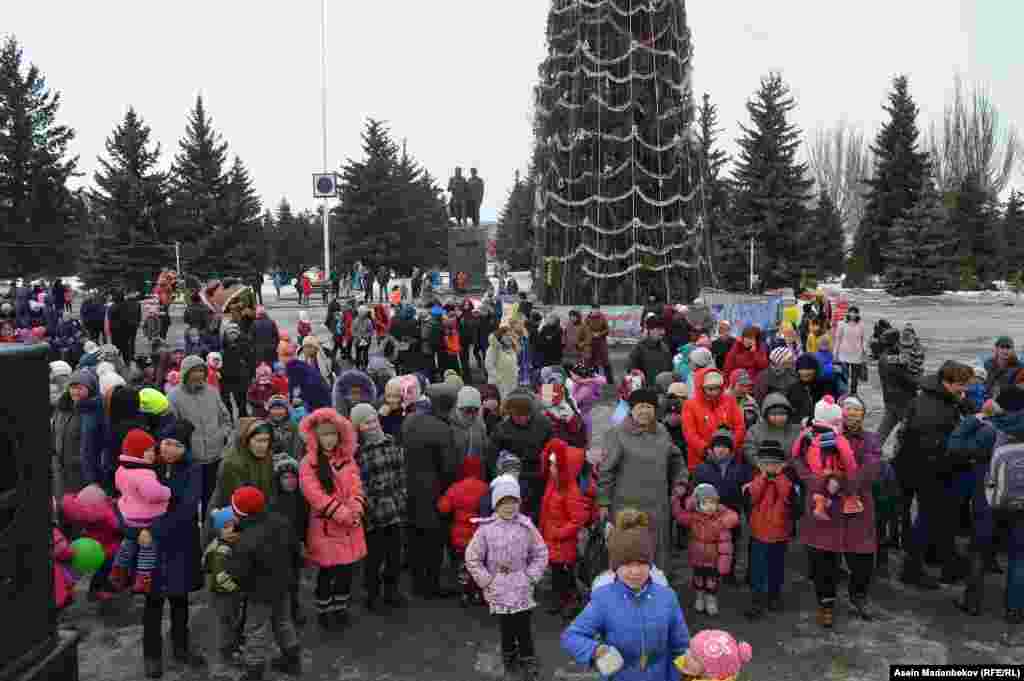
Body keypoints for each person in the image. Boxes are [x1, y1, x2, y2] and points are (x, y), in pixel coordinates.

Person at [561, 508, 690, 681]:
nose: (635, 571)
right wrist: (597, 651)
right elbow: (572, 636)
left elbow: (681, 646)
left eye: (642, 563)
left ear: (650, 564)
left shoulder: (667, 597)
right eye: (627, 564)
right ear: (615, 566)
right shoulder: (604, 599)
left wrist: (682, 675)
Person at [792, 395, 881, 626]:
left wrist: (845, 482)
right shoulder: (816, 434)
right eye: (847, 409)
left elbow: (871, 469)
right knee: (823, 559)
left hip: (857, 508)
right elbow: (799, 462)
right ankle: (825, 603)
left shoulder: (869, 439)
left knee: (862, 559)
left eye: (857, 410)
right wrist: (816, 482)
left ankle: (858, 596)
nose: (851, 415)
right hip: (824, 508)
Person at [893, 360, 973, 590]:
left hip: (920, 467)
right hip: (926, 471)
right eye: (961, 385)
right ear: (947, 383)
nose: (963, 389)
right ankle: (913, 569)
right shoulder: (934, 408)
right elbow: (935, 448)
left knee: (936, 519)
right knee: (927, 519)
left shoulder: (934, 398)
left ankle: (939, 560)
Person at [465, 475, 549, 681]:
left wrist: (531, 575)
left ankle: (528, 658)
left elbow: (541, 552)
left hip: (521, 585)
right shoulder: (486, 529)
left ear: (519, 502)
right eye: (504, 502)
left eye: (513, 501)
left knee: (524, 625)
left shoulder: (526, 526)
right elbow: (472, 557)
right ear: (496, 504)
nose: (509, 507)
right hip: (499, 587)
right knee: (506, 626)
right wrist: (487, 580)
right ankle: (509, 657)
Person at [598, 388, 688, 578]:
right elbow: (606, 470)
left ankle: (656, 592)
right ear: (631, 409)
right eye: (640, 406)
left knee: (657, 553)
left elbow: (676, 459)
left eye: (649, 407)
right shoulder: (617, 434)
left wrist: (680, 482)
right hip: (626, 507)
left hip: (658, 505)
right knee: (628, 552)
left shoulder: (662, 432)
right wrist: (603, 502)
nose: (644, 411)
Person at [141, 420, 207, 679]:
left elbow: (187, 508)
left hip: (180, 541)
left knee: (179, 599)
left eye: (177, 445)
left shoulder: (193, 469)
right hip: (153, 545)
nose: (169, 449)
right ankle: (152, 655)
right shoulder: (149, 466)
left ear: (185, 448)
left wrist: (154, 528)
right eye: (166, 443)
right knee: (152, 601)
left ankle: (181, 647)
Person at [298, 408, 367, 630]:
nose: (329, 439)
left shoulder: (347, 459)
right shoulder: (309, 463)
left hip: (349, 525)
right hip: (326, 526)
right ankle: (324, 610)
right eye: (325, 435)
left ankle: (340, 607)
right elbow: (314, 494)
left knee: (346, 571)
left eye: (333, 434)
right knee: (328, 571)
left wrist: (356, 507)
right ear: (316, 437)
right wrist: (342, 513)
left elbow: (357, 484)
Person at [349, 403, 409, 613]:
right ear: (357, 427)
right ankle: (372, 595)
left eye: (374, 420)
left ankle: (391, 591)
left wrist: (401, 497)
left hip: (394, 508)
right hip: (373, 513)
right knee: (374, 558)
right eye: (366, 423)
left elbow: (400, 472)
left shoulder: (391, 442)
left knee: (394, 555)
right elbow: (356, 483)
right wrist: (368, 505)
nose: (372, 425)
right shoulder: (356, 452)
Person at [402, 383, 458, 598]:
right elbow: (449, 468)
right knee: (433, 541)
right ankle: (431, 585)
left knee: (415, 538)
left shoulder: (410, 420)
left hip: (410, 488)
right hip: (434, 491)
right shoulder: (442, 429)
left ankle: (417, 582)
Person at [168, 355, 232, 521]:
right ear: (185, 374)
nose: (198, 375)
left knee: (212, 504)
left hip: (215, 457)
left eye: (201, 371)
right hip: (191, 461)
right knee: (189, 506)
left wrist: (222, 435)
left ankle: (208, 536)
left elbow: (226, 419)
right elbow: (172, 431)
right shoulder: (174, 397)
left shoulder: (212, 392)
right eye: (194, 371)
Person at [110, 429, 172, 594]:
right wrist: (168, 491)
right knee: (148, 549)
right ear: (139, 453)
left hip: (129, 516)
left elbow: (119, 487)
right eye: (149, 450)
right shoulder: (145, 473)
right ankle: (143, 579)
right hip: (146, 518)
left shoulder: (121, 470)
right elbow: (153, 494)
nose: (153, 453)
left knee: (128, 545)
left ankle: (118, 572)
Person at [742, 439, 798, 619]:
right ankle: (756, 598)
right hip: (759, 533)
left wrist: (779, 477)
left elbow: (790, 499)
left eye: (774, 463)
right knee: (758, 568)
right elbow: (752, 497)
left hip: (780, 533)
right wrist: (764, 478)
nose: (770, 467)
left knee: (776, 568)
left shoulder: (788, 482)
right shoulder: (754, 480)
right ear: (759, 464)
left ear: (782, 464)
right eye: (766, 463)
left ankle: (774, 596)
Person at [437, 449, 489, 609]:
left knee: (463, 565)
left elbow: (443, 508)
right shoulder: (486, 488)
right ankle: (479, 593)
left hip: (459, 537)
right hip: (479, 535)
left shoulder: (455, 488)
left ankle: (465, 594)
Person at [682, 368, 746, 471]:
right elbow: (689, 433)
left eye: (718, 388)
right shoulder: (690, 405)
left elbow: (740, 426)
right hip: (701, 460)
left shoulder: (730, 401)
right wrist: (706, 450)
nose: (715, 392)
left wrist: (729, 446)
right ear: (701, 388)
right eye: (710, 389)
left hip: (729, 459)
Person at [834, 305, 866, 395]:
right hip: (843, 354)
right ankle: (844, 394)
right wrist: (835, 353)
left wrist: (864, 351)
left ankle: (853, 394)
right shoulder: (842, 324)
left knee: (855, 377)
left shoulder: (861, 325)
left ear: (857, 314)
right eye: (851, 312)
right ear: (848, 313)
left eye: (855, 312)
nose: (853, 314)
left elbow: (863, 339)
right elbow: (838, 339)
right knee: (844, 376)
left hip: (857, 354)